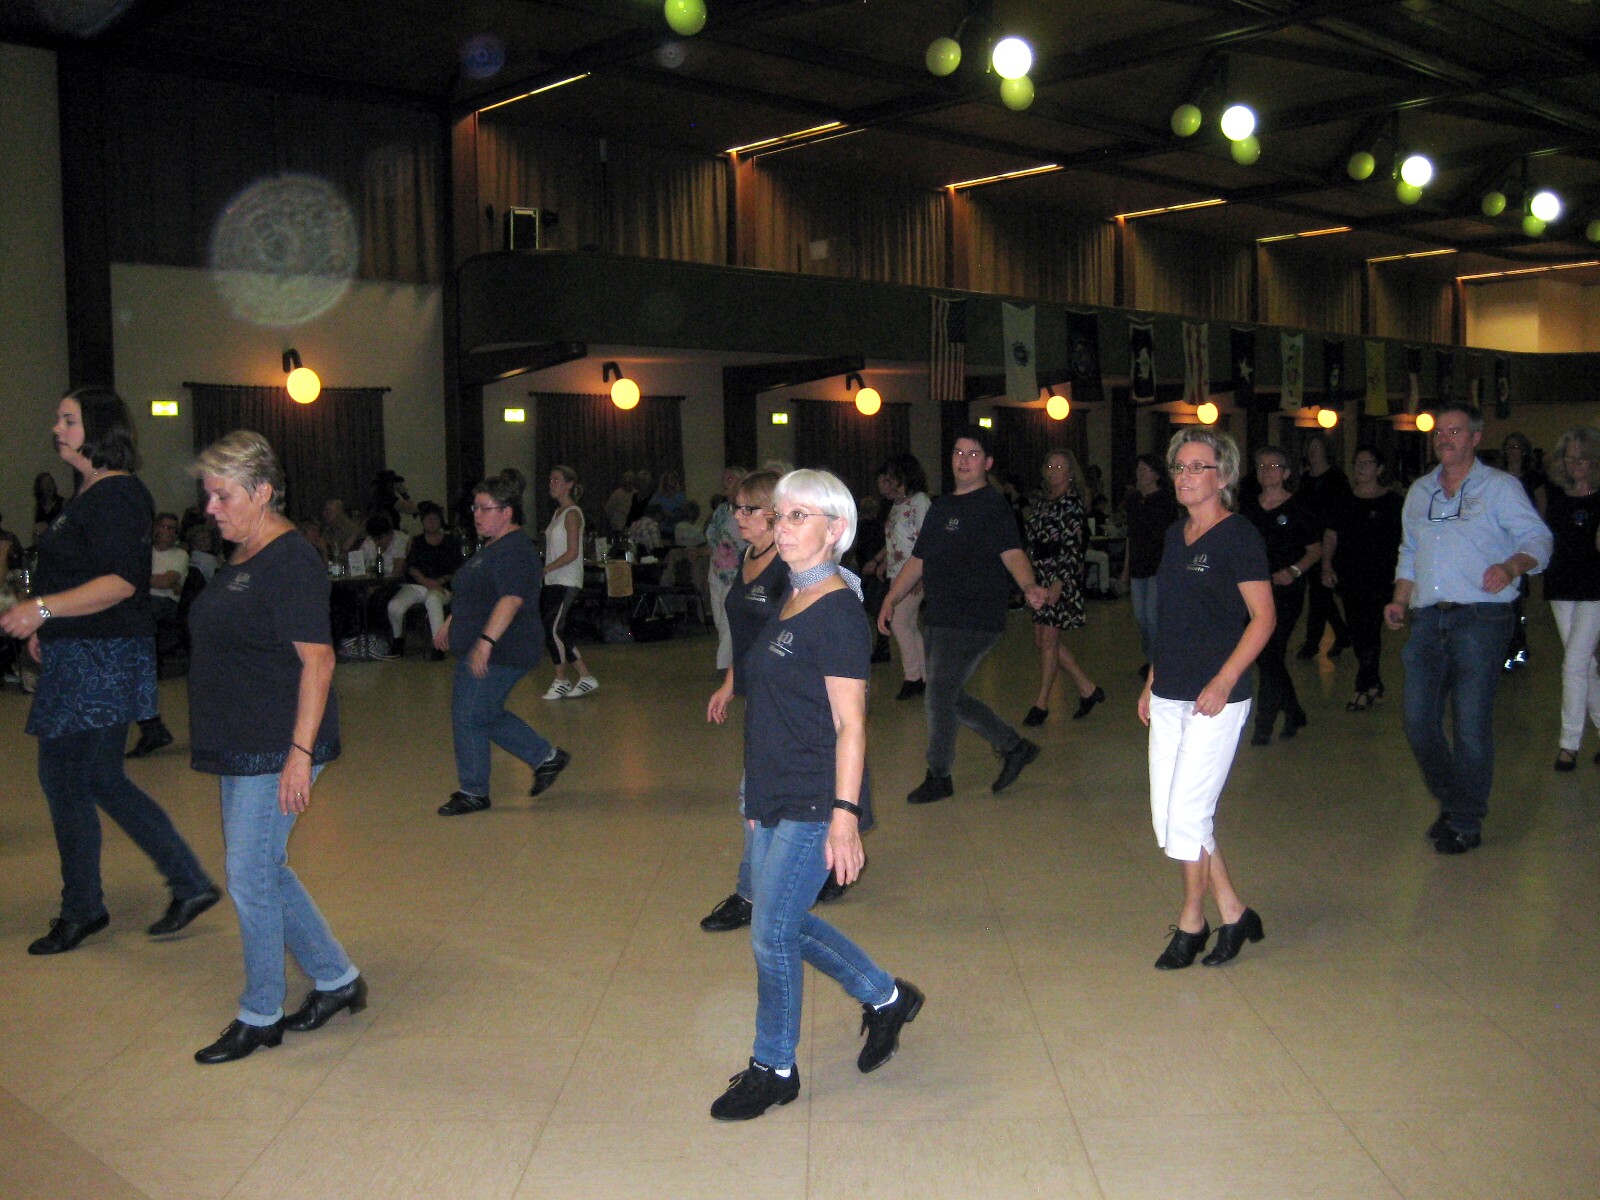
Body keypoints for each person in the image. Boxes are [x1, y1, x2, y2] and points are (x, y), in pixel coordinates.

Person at [710, 469, 922, 1121]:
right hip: (774, 790)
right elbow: (773, 707)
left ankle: (774, 1066)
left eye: (799, 516)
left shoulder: (836, 613)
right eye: (780, 515)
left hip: (814, 796)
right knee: (783, 923)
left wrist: (845, 819)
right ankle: (886, 997)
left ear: (837, 530)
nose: (783, 527)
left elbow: (851, 725)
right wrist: (754, 797)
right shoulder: (792, 594)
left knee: (770, 933)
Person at [0, 387, 218, 956]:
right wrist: (50, 625)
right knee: (92, 777)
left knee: (69, 777)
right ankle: (183, 883)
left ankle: (86, 908)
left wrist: (42, 610)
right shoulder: (89, 493)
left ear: (98, 428)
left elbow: (121, 582)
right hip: (83, 650)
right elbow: (82, 578)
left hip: (102, 655)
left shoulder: (118, 493)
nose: (57, 428)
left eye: (68, 419)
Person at [184, 431, 364, 1064]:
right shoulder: (245, 552)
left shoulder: (292, 560)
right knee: (263, 868)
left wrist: (299, 756)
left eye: (222, 495)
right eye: (208, 495)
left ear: (262, 492)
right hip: (240, 739)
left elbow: (319, 661)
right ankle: (337, 979)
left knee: (249, 876)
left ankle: (261, 1013)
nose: (210, 508)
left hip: (276, 743)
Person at [1385, 403, 1552, 854]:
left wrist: (1510, 566)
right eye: (1439, 432)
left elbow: (1538, 539)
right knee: (1418, 720)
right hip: (1427, 617)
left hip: (1481, 618)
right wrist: (1400, 599)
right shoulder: (1420, 491)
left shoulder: (1499, 487)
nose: (1445, 439)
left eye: (1455, 431)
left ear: (1476, 438)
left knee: (1470, 723)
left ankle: (1464, 820)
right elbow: (1409, 551)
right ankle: (1456, 799)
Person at [1139, 428, 1273, 970]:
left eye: (1198, 467)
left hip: (1217, 698)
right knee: (1172, 818)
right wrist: (1152, 678)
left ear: (1224, 476)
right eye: (1180, 467)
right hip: (1170, 691)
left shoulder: (1239, 537)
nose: (1185, 476)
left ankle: (1193, 921)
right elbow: (1170, 619)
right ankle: (1235, 912)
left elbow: (1263, 618)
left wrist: (1224, 679)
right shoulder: (1176, 535)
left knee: (1188, 814)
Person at [878, 426, 1048, 804]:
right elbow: (918, 560)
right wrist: (891, 597)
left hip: (975, 617)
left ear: (987, 463)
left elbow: (1012, 553)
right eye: (958, 453)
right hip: (940, 614)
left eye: (973, 454)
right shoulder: (941, 507)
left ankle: (939, 775)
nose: (964, 460)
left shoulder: (993, 506)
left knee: (939, 695)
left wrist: (1029, 585)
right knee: (946, 695)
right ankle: (1014, 747)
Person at [434, 469, 570, 816]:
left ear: (507, 512)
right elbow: (476, 593)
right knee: (483, 712)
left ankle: (473, 791)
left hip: (505, 647)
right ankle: (546, 757)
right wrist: (452, 620)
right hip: (487, 643)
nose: (476, 515)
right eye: (475, 508)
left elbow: (510, 599)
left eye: (485, 508)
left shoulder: (515, 549)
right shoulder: (492, 547)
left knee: (468, 715)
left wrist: (485, 641)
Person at [699, 470, 785, 933]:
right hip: (761, 696)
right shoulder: (751, 555)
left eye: (749, 508)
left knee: (754, 797)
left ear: (776, 513)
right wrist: (731, 682)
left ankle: (749, 895)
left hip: (787, 698)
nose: (739, 516)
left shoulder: (789, 563)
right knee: (764, 796)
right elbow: (747, 634)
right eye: (737, 507)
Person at [1241, 446, 1321, 746]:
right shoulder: (1248, 508)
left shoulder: (1299, 507)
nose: (1266, 471)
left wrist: (1294, 571)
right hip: (1253, 591)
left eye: (1273, 466)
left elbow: (1314, 550)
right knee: (1265, 657)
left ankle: (1263, 726)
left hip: (1286, 590)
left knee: (1272, 652)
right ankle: (1294, 712)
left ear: (1286, 473)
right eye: (1261, 466)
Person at [1022, 451, 1104, 726]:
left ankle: (1041, 704)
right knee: (1042, 641)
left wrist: (1059, 581)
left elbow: (1072, 546)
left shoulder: (1072, 502)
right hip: (1040, 574)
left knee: (1048, 642)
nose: (1053, 470)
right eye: (1049, 465)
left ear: (1070, 473)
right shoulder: (1044, 501)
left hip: (1061, 575)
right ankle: (1088, 689)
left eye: (1059, 466)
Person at [1322, 447, 1403, 712]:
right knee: (1357, 630)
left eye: (1367, 463)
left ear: (1379, 469)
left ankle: (1362, 687)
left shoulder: (1393, 501)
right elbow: (1331, 535)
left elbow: (1406, 540)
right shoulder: (1344, 500)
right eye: (1357, 462)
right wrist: (1327, 565)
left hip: (1381, 577)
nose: (1361, 467)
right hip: (1350, 575)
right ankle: (1374, 683)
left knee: (1371, 630)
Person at [1542, 428, 1600, 772]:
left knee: (1574, 664)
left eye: (1582, 457)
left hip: (1595, 588)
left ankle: (1569, 745)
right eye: (1569, 456)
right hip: (1561, 584)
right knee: (1584, 665)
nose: (1575, 463)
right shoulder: (1556, 495)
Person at [864, 454, 930, 700]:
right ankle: (922, 677)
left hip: (913, 573)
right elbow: (896, 540)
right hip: (897, 572)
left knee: (900, 623)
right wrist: (882, 561)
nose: (887, 483)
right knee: (908, 625)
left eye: (890, 477)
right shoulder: (898, 503)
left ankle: (914, 677)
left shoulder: (920, 501)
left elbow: (927, 540)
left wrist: (921, 576)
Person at [1119, 452, 1181, 677]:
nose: (1141, 474)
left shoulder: (1165, 501)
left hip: (1158, 566)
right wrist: (1126, 569)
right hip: (1138, 566)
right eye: (1139, 469)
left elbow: (1171, 537)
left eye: (1146, 470)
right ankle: (1150, 657)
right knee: (1140, 618)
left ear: (1156, 475)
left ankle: (1158, 663)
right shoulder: (1134, 501)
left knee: (1153, 617)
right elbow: (1131, 536)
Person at [540, 465, 599, 699]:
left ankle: (561, 679)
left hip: (566, 579)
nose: (551, 484)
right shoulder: (557, 513)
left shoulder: (573, 513)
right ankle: (585, 676)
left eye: (556, 480)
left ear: (569, 484)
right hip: (553, 579)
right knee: (558, 630)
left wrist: (545, 569)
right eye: (550, 480)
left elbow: (573, 552)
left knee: (552, 629)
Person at [1294, 432, 1351, 660]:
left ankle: (1312, 643)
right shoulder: (1306, 479)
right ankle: (1342, 634)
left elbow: (1339, 514)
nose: (1313, 453)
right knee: (1321, 596)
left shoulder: (1336, 478)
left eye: (1318, 449)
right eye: (1310, 449)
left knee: (1320, 595)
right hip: (1309, 544)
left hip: (1330, 544)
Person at [386, 501, 461, 661]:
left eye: (435, 519)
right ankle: (398, 639)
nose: (431, 522)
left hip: (442, 587)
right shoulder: (416, 541)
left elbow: (456, 568)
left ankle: (438, 645)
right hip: (418, 585)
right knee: (394, 606)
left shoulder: (451, 541)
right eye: (427, 519)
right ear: (422, 522)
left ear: (440, 521)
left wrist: (439, 581)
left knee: (433, 600)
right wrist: (425, 581)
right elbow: (411, 567)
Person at [1499, 431, 1546, 671]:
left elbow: (1541, 508)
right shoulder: (1497, 477)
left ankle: (1517, 643)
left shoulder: (1533, 478)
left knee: (1519, 592)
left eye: (1516, 447)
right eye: (1509, 447)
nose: (1512, 451)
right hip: (1500, 541)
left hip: (1521, 541)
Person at [705, 465, 748, 671]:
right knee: (719, 619)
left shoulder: (748, 509)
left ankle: (726, 667)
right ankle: (731, 662)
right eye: (725, 479)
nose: (725, 482)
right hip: (716, 570)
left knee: (728, 620)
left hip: (737, 571)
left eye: (731, 479)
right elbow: (712, 537)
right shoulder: (721, 510)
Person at [32, 470, 64, 544]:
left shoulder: (63, 503)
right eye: (45, 484)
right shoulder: (39, 508)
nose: (49, 486)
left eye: (51, 482)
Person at [604, 471, 636, 536]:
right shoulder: (617, 494)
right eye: (627, 479)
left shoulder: (636, 494)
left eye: (630, 479)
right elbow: (607, 511)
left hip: (633, 530)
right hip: (618, 530)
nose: (628, 481)